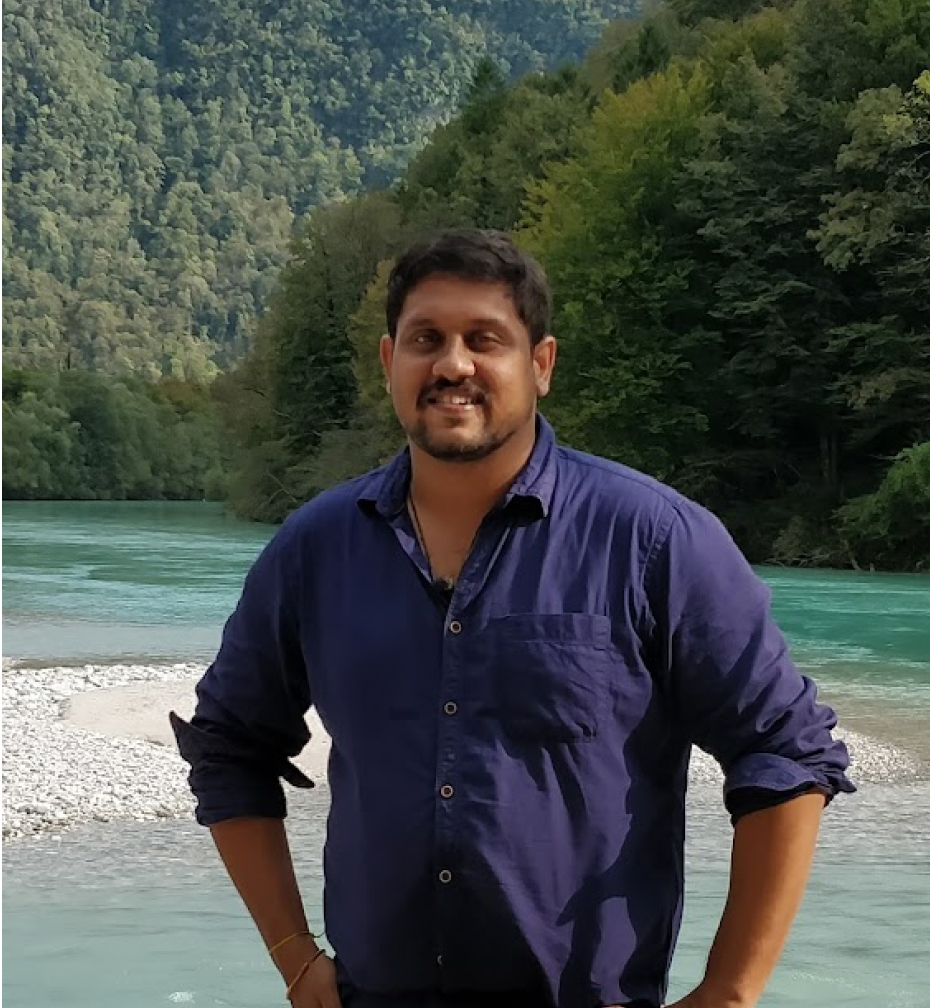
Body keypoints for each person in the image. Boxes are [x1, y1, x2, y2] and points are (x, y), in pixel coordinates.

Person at [172, 229, 854, 1008]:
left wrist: (729, 991)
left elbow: (785, 753)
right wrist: (294, 957)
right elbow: (227, 748)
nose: (452, 365)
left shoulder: (654, 541)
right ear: (389, 361)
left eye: (484, 339)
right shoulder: (315, 550)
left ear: (540, 365)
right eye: (426, 339)